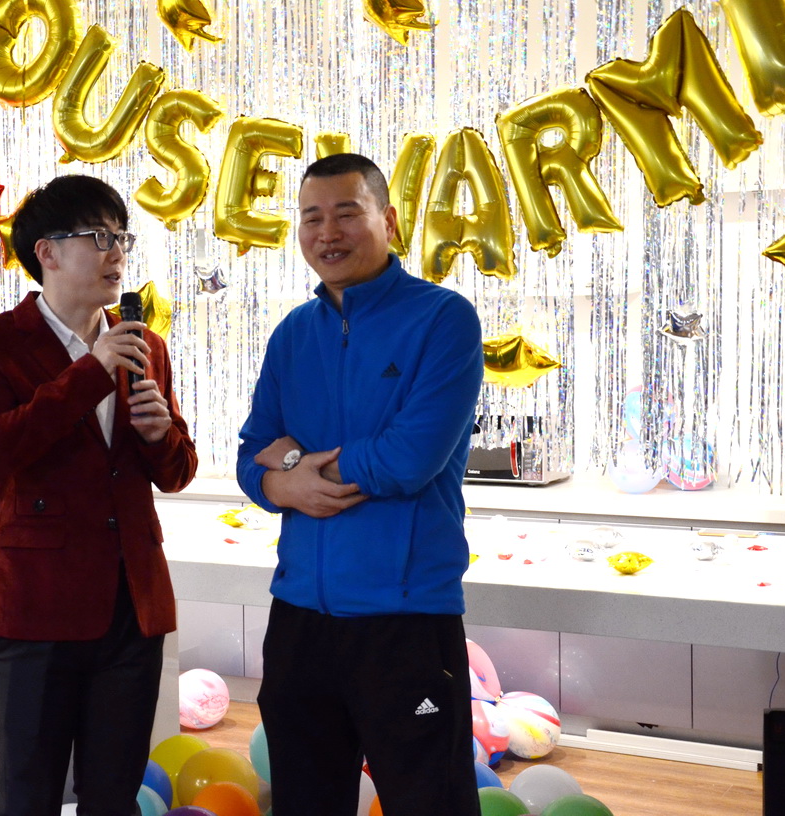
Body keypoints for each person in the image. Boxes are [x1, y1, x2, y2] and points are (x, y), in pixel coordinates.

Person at [236, 153, 484, 816]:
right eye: (311, 217)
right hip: (298, 618)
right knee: (303, 803)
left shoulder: (443, 320)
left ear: (389, 221)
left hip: (405, 619)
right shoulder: (293, 334)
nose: (328, 232)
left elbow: (409, 458)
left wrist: (297, 464)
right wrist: (284, 484)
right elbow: (251, 455)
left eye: (347, 213)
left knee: (431, 803)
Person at [0, 175, 197, 816]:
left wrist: (160, 436)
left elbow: (177, 472)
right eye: (99, 236)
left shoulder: (146, 346)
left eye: (121, 238)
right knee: (28, 794)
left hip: (132, 603)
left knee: (114, 795)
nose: (117, 253)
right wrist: (89, 372)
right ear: (47, 252)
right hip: (38, 606)